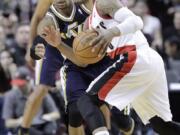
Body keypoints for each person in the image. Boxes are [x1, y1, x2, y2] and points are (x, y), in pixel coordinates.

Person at [42, 0, 180, 134]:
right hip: (146, 64)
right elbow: (82, 62)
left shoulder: (104, 3)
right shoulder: (87, 25)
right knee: (161, 126)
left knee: (87, 100)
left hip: (136, 57)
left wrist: (111, 33)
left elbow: (137, 22)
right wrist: (58, 44)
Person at [20, 0, 112, 135]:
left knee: (98, 96)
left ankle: (107, 130)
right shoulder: (49, 18)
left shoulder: (86, 4)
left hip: (82, 48)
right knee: (42, 89)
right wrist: (31, 47)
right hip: (56, 45)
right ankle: (23, 130)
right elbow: (37, 19)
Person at [2, 67, 60, 135]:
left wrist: (46, 117)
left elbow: (56, 114)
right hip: (24, 125)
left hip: (41, 123)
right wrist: (20, 121)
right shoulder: (10, 95)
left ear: (29, 81)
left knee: (51, 127)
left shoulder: (40, 91)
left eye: (22, 84)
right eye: (17, 84)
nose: (19, 87)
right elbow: (8, 123)